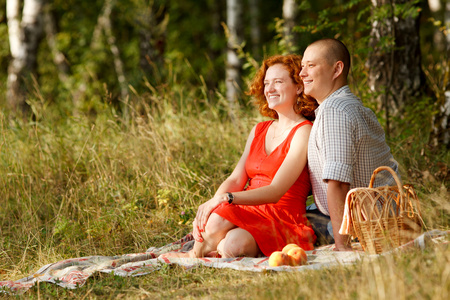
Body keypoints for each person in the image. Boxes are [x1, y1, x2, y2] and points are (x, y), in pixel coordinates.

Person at [160, 54, 318, 259]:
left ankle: (198, 254)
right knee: (216, 222)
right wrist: (213, 204)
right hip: (250, 209)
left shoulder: (303, 131)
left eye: (278, 82)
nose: (269, 89)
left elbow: (275, 191)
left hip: (282, 217)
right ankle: (201, 252)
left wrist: (227, 199)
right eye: (266, 83)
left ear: (298, 87)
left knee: (234, 246)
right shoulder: (259, 130)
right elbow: (236, 179)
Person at [300, 38, 400, 251]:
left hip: (364, 223)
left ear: (337, 69)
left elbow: (338, 182)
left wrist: (342, 247)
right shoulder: (348, 104)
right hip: (381, 214)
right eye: (302, 67)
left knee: (274, 227)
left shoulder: (335, 110)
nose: (302, 74)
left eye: (311, 66)